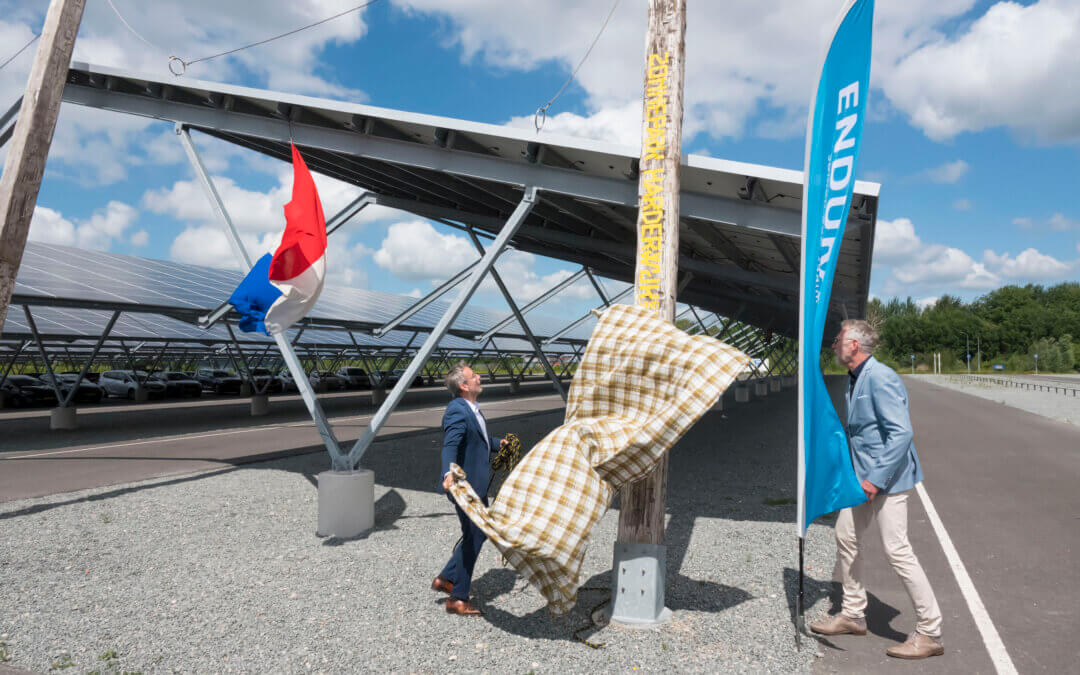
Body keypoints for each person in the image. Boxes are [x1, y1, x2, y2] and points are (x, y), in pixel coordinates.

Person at [810, 320, 945, 660]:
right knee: (846, 535)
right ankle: (854, 614)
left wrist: (874, 479)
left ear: (853, 344)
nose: (834, 345)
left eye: (839, 340)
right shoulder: (855, 379)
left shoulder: (881, 377)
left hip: (889, 479)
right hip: (863, 478)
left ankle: (930, 631)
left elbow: (900, 434)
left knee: (897, 550)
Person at [431, 361, 507, 616]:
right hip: (465, 487)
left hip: (478, 486)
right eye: (474, 376)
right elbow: (449, 445)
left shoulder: (472, 408)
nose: (479, 377)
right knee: (474, 536)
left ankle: (446, 578)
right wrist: (448, 473)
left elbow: (479, 441)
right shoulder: (457, 411)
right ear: (464, 385)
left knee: (477, 534)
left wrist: (499, 444)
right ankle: (457, 598)